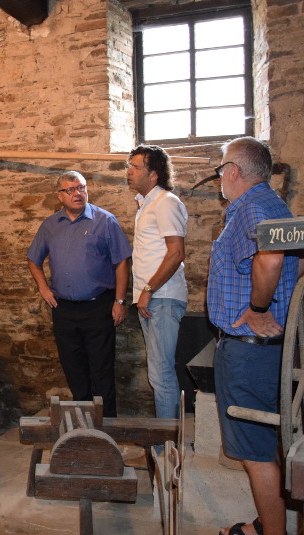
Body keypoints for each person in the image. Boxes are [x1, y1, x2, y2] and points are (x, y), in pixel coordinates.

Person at [208, 137, 304, 535]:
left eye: (221, 169)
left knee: (255, 453)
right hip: (265, 351)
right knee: (269, 444)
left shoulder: (250, 208)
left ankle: (273, 533)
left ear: (233, 170)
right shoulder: (273, 203)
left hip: (248, 352)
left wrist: (260, 308)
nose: (221, 176)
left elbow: (269, 258)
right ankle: (268, 523)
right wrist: (280, 291)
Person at [27, 170, 132, 417]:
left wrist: (120, 300)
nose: (78, 194)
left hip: (99, 307)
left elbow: (121, 262)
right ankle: (83, 424)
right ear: (59, 196)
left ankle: (106, 426)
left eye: (81, 188)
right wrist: (43, 288)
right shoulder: (50, 225)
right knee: (73, 368)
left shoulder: (105, 221)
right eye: (70, 190)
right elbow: (33, 259)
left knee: (101, 369)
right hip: (63, 309)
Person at [126, 145, 188, 420]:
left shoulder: (166, 202)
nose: (129, 172)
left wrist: (149, 290)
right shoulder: (146, 206)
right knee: (157, 373)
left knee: (161, 374)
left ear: (154, 174)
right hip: (151, 298)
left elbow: (176, 252)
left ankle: (167, 446)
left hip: (162, 297)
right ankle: (166, 439)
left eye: (135, 167)